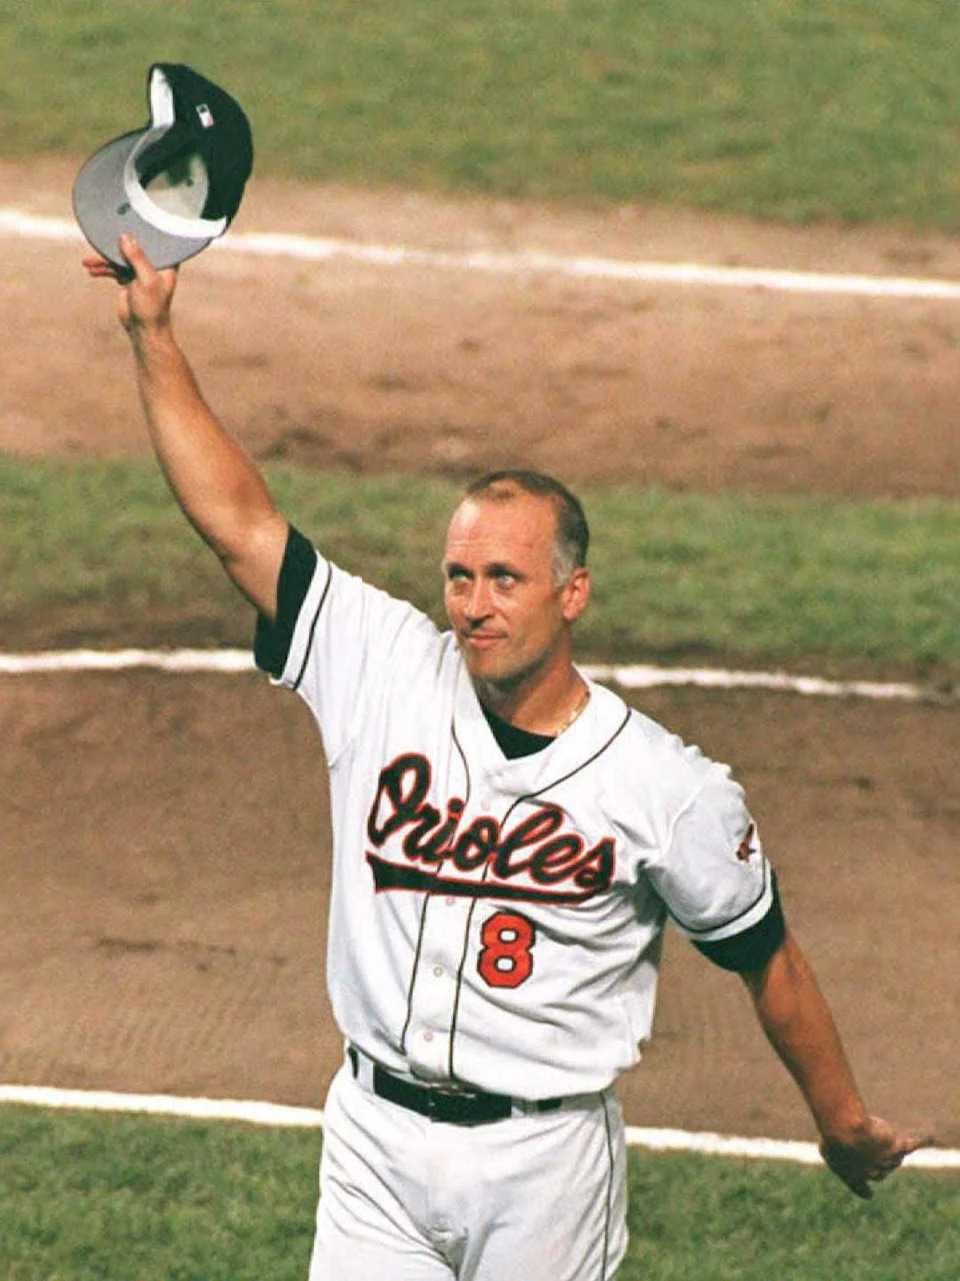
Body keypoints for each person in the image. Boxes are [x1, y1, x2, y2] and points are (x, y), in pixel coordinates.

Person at [85, 234, 925, 1281]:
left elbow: (770, 959)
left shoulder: (664, 786)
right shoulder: (383, 666)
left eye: (505, 580)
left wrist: (840, 1119)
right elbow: (241, 527)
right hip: (376, 1145)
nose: (474, 606)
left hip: (545, 1169)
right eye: (459, 576)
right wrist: (152, 332)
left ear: (572, 594)